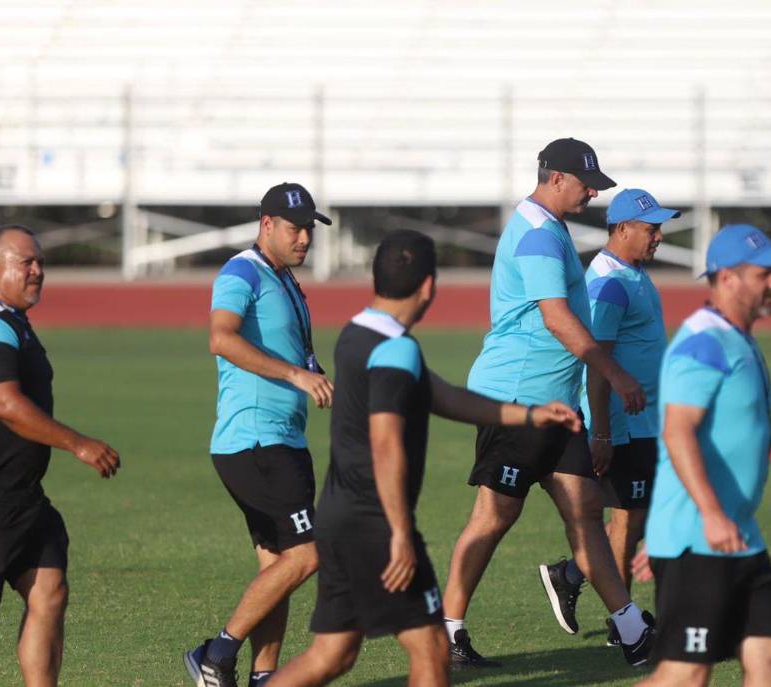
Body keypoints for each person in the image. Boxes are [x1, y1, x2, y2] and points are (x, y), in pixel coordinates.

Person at [267, 230, 582, 687]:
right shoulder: (397, 351)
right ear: (430, 286)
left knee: (332, 655)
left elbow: (445, 396)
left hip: (341, 517)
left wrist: (530, 414)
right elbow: (386, 444)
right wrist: (398, 532)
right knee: (432, 652)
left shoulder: (360, 332)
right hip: (377, 524)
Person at [442, 138, 655, 668]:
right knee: (494, 517)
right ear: (556, 178)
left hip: (554, 405)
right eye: (588, 185)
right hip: (516, 400)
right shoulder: (537, 233)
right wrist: (611, 370)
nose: (593, 195)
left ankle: (632, 631)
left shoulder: (550, 227)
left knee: (584, 511)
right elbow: (556, 316)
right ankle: (445, 630)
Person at [185, 183, 335, 687]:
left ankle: (264, 675)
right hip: (255, 441)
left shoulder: (285, 279)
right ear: (266, 224)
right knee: (308, 553)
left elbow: (296, 351)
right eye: (296, 228)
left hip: (282, 439)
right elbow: (220, 338)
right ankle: (215, 654)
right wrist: (295, 376)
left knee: (279, 567)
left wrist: (312, 371)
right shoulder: (241, 271)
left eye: (310, 228)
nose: (305, 238)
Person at [637, 224, 771, 687]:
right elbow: (676, 431)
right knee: (685, 677)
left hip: (737, 534)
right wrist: (701, 516)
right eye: (765, 274)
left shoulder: (735, 336)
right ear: (727, 278)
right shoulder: (702, 342)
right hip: (701, 539)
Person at [538, 188, 678, 646]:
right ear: (621, 229)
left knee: (632, 519)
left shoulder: (631, 274)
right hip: (622, 425)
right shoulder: (609, 283)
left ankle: (573, 575)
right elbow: (597, 364)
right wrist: (602, 433)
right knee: (626, 521)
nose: (658, 236)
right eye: (650, 228)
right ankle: (623, 623)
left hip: (643, 422)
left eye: (659, 227)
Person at [0, 224, 121, 687]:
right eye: (25, 262)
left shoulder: (13, 321)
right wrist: (77, 443)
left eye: (40, 262)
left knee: (49, 589)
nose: (37, 271)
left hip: (21, 498)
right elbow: (3, 402)